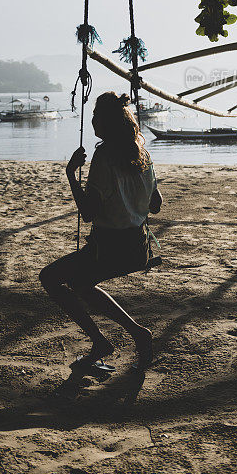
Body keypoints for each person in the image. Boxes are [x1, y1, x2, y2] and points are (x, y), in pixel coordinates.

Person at [39, 91, 162, 370]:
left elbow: (89, 212)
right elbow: (156, 205)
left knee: (50, 278)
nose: (92, 120)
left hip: (108, 249)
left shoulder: (104, 156)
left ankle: (105, 340)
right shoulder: (142, 153)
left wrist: (71, 175)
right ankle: (128, 335)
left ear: (105, 122)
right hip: (138, 248)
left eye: (95, 116)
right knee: (82, 284)